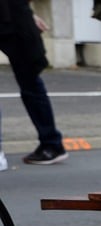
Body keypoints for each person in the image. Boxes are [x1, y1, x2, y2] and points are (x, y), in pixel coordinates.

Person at [0, 0, 68, 167]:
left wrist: (27, 14)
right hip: (14, 17)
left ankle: (51, 143)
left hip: (13, 19)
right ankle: (51, 143)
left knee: (31, 84)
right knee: (31, 84)